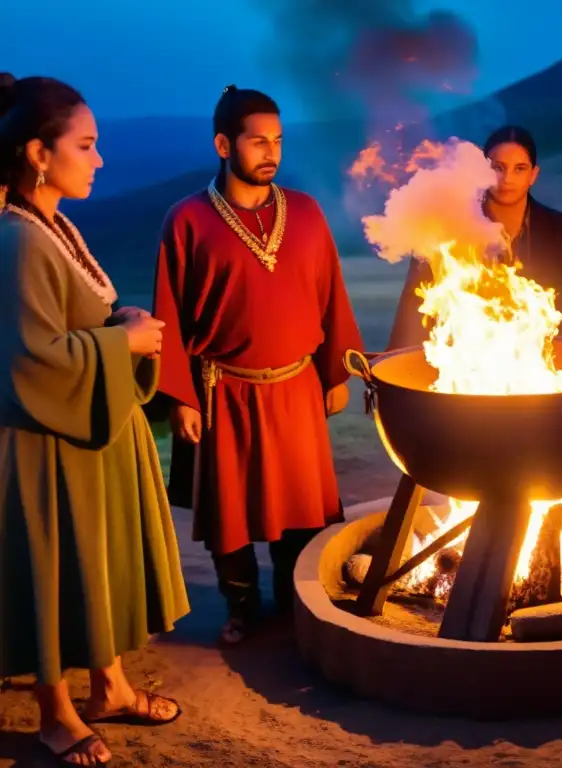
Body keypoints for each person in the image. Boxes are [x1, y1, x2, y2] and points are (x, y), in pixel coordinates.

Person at [0, 74, 189, 765]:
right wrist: (125, 343)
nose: (100, 159)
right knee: (53, 568)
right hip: (44, 446)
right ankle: (54, 714)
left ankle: (108, 686)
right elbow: (29, 359)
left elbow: (68, 319)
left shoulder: (52, 224)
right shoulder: (16, 239)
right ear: (38, 154)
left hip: (86, 438)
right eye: (86, 145)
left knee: (89, 565)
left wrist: (121, 321)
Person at [152, 85, 364, 645]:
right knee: (232, 512)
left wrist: (335, 371)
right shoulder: (188, 220)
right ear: (224, 144)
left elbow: (330, 295)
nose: (271, 151)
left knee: (301, 505)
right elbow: (169, 314)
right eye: (257, 141)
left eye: (278, 140)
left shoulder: (309, 213)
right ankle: (242, 607)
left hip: (296, 386)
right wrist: (180, 397)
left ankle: (302, 603)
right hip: (224, 389)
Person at [387, 124, 562, 349]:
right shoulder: (449, 228)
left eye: (519, 169)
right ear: (482, 169)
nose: (507, 178)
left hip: (543, 366)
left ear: (533, 175)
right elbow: (415, 306)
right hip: (464, 365)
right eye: (498, 167)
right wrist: (392, 370)